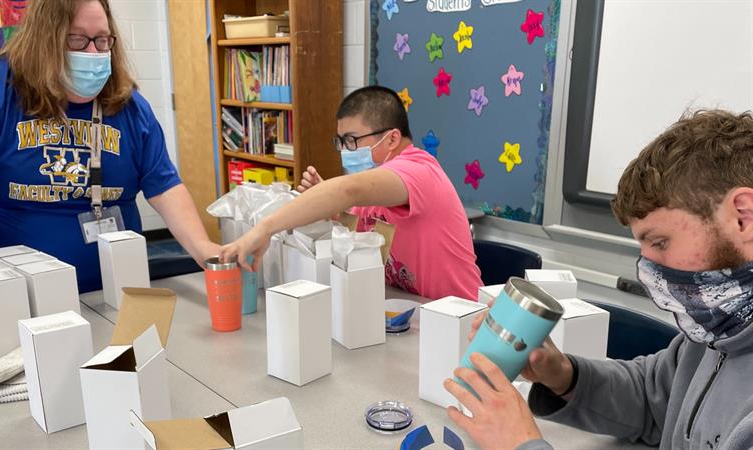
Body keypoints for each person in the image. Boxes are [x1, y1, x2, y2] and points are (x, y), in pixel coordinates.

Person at [443, 110, 753, 449]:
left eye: (661, 242)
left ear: (743, 217)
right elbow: (653, 398)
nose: (647, 269)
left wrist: (521, 444)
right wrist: (563, 375)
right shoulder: (715, 332)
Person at [0, 0, 220, 292]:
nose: (93, 53)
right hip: (10, 300)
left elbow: (165, 186)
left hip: (111, 294)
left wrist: (203, 248)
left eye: (102, 40)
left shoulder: (129, 107)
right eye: (77, 39)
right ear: (44, 40)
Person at [218, 86, 482, 301]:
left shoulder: (418, 171)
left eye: (352, 140)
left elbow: (348, 190)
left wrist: (264, 229)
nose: (345, 150)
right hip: (409, 314)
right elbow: (354, 229)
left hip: (458, 318)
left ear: (391, 138)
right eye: (341, 141)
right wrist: (327, 206)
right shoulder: (375, 187)